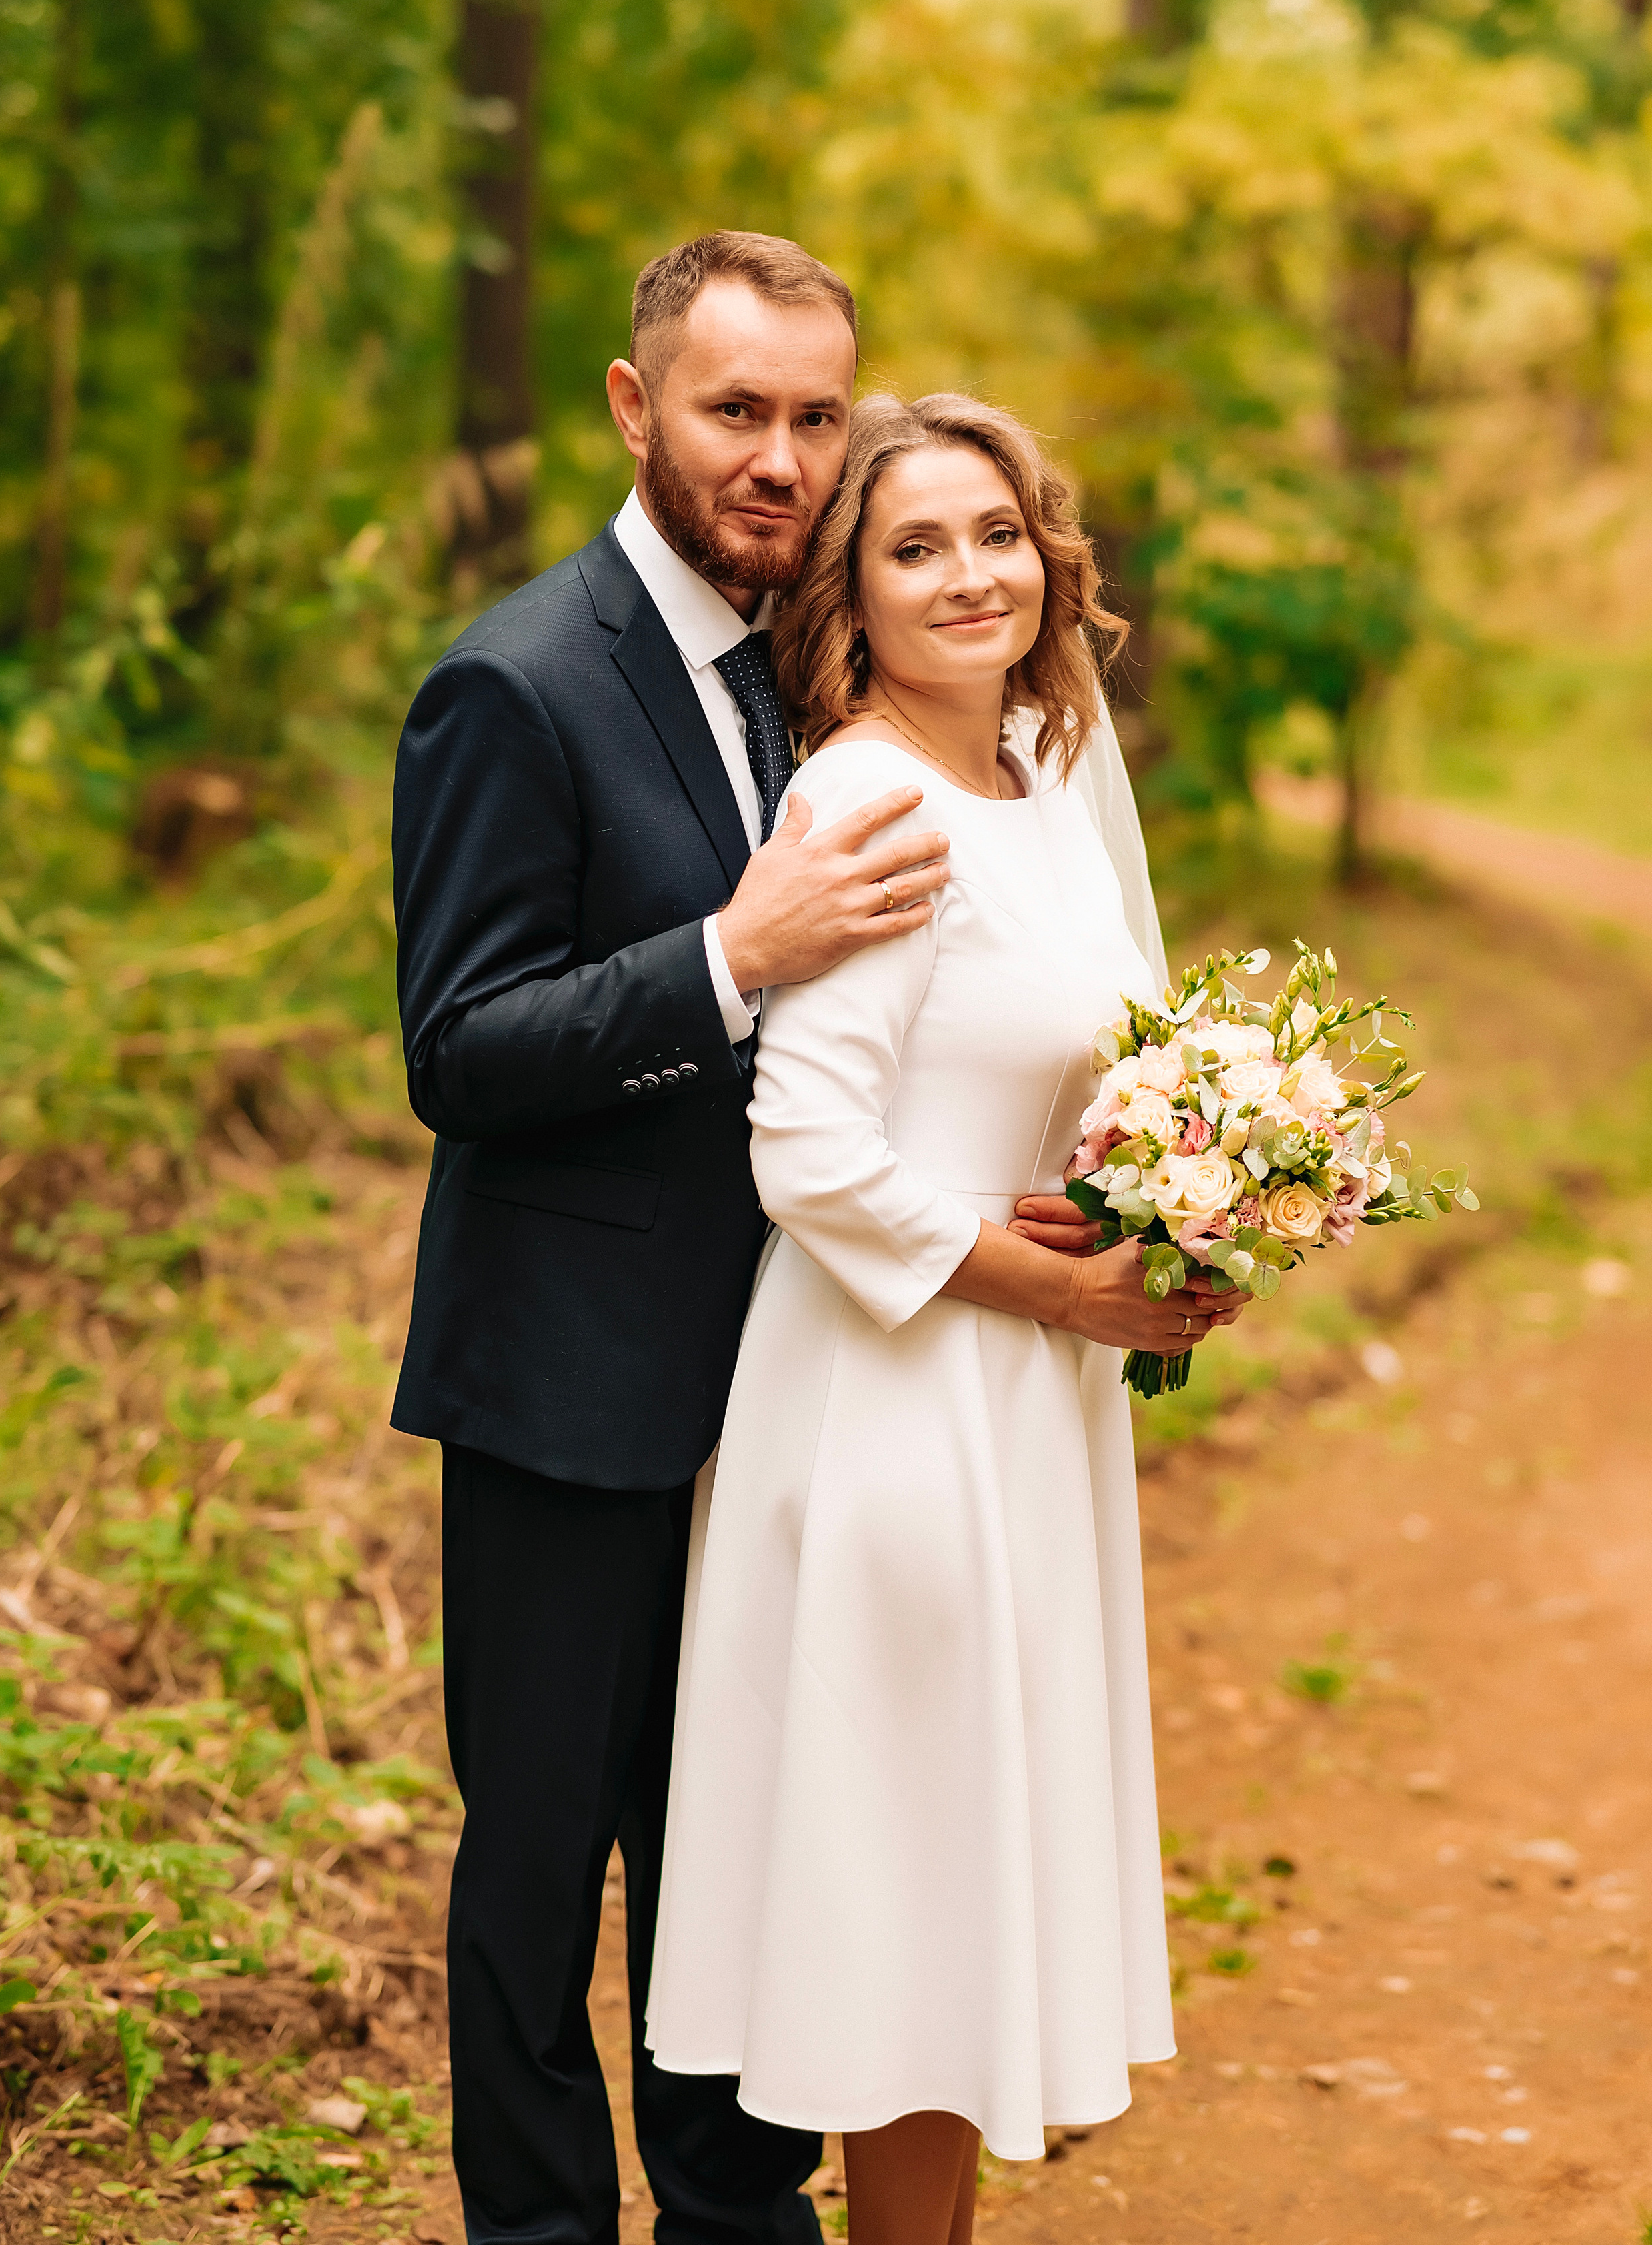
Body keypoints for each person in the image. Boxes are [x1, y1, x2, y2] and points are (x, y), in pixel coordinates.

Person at [390, 231, 976, 2245]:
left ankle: (739, 2223)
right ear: (639, 407)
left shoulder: (824, 681)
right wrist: (734, 956)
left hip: (785, 1387)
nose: (785, 459)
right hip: (563, 1390)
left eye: (820, 418)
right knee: (543, 1874)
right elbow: (460, 1049)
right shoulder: (514, 678)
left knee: (737, 1849)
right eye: (739, 411)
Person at [646, 392, 1246, 2245]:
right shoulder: (868, 796)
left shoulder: (1050, 772)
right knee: (909, 1908)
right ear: (853, 589)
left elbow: (1104, 1083)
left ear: (1048, 558)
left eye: (996, 532)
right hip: (897, 1404)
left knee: (964, 1889)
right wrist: (1055, 1276)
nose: (968, 572)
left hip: (1031, 1396)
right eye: (916, 545)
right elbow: (807, 1149)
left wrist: (1196, 1217)